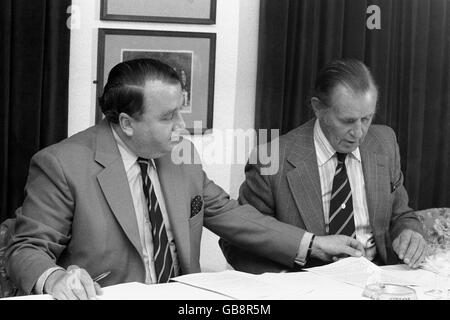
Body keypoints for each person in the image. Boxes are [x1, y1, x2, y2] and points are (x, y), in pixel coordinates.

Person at [6, 58, 311, 300]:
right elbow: (26, 249)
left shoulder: (181, 153)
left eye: (180, 112)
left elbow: (229, 213)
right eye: (168, 117)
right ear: (126, 123)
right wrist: (56, 277)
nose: (181, 126)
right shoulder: (62, 164)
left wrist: (312, 244)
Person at [220, 58, 428, 274]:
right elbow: (237, 243)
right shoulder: (272, 158)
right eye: (347, 121)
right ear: (318, 108)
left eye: (367, 119)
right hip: (303, 285)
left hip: (375, 281)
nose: (359, 133)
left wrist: (409, 233)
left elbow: (401, 214)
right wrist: (283, 284)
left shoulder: (384, 142)